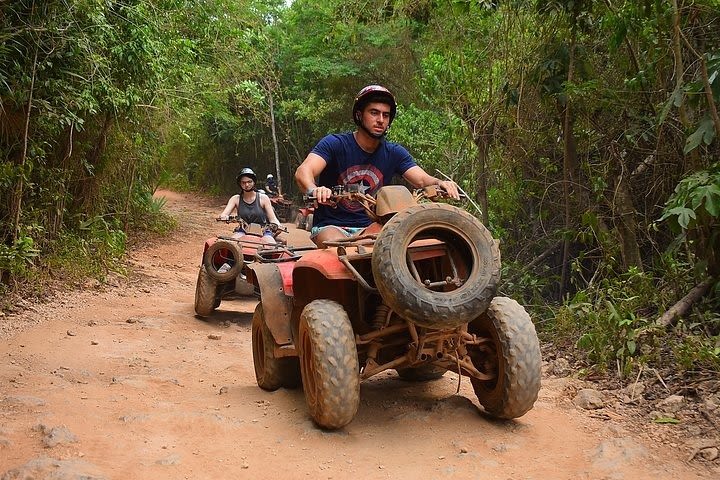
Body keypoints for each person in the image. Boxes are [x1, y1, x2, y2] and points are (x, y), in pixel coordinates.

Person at [294, 84, 460, 247]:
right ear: (359, 115)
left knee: (412, 245)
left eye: (385, 115)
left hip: (374, 226)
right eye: (374, 113)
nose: (380, 120)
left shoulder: (394, 153)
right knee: (338, 248)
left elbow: (422, 179)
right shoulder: (335, 144)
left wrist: (440, 183)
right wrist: (314, 189)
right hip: (332, 226)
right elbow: (304, 170)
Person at [219, 167, 282, 243]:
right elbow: (224, 214)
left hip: (263, 231)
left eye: (249, 181)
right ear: (239, 183)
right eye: (243, 182)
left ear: (254, 182)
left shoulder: (263, 198)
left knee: (271, 247)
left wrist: (278, 225)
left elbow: (273, 219)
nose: (247, 185)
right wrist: (224, 217)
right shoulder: (235, 199)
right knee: (231, 244)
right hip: (243, 230)